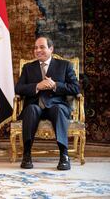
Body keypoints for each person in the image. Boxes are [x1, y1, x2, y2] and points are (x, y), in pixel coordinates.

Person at [15, 36, 80, 170]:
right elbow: (19, 89)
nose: (38, 50)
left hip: (56, 105)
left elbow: (75, 88)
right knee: (31, 109)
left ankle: (64, 155)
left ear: (51, 49)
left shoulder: (65, 65)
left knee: (58, 109)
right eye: (35, 48)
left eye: (42, 47)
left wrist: (55, 85)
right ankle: (27, 154)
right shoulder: (28, 68)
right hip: (35, 105)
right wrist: (37, 86)